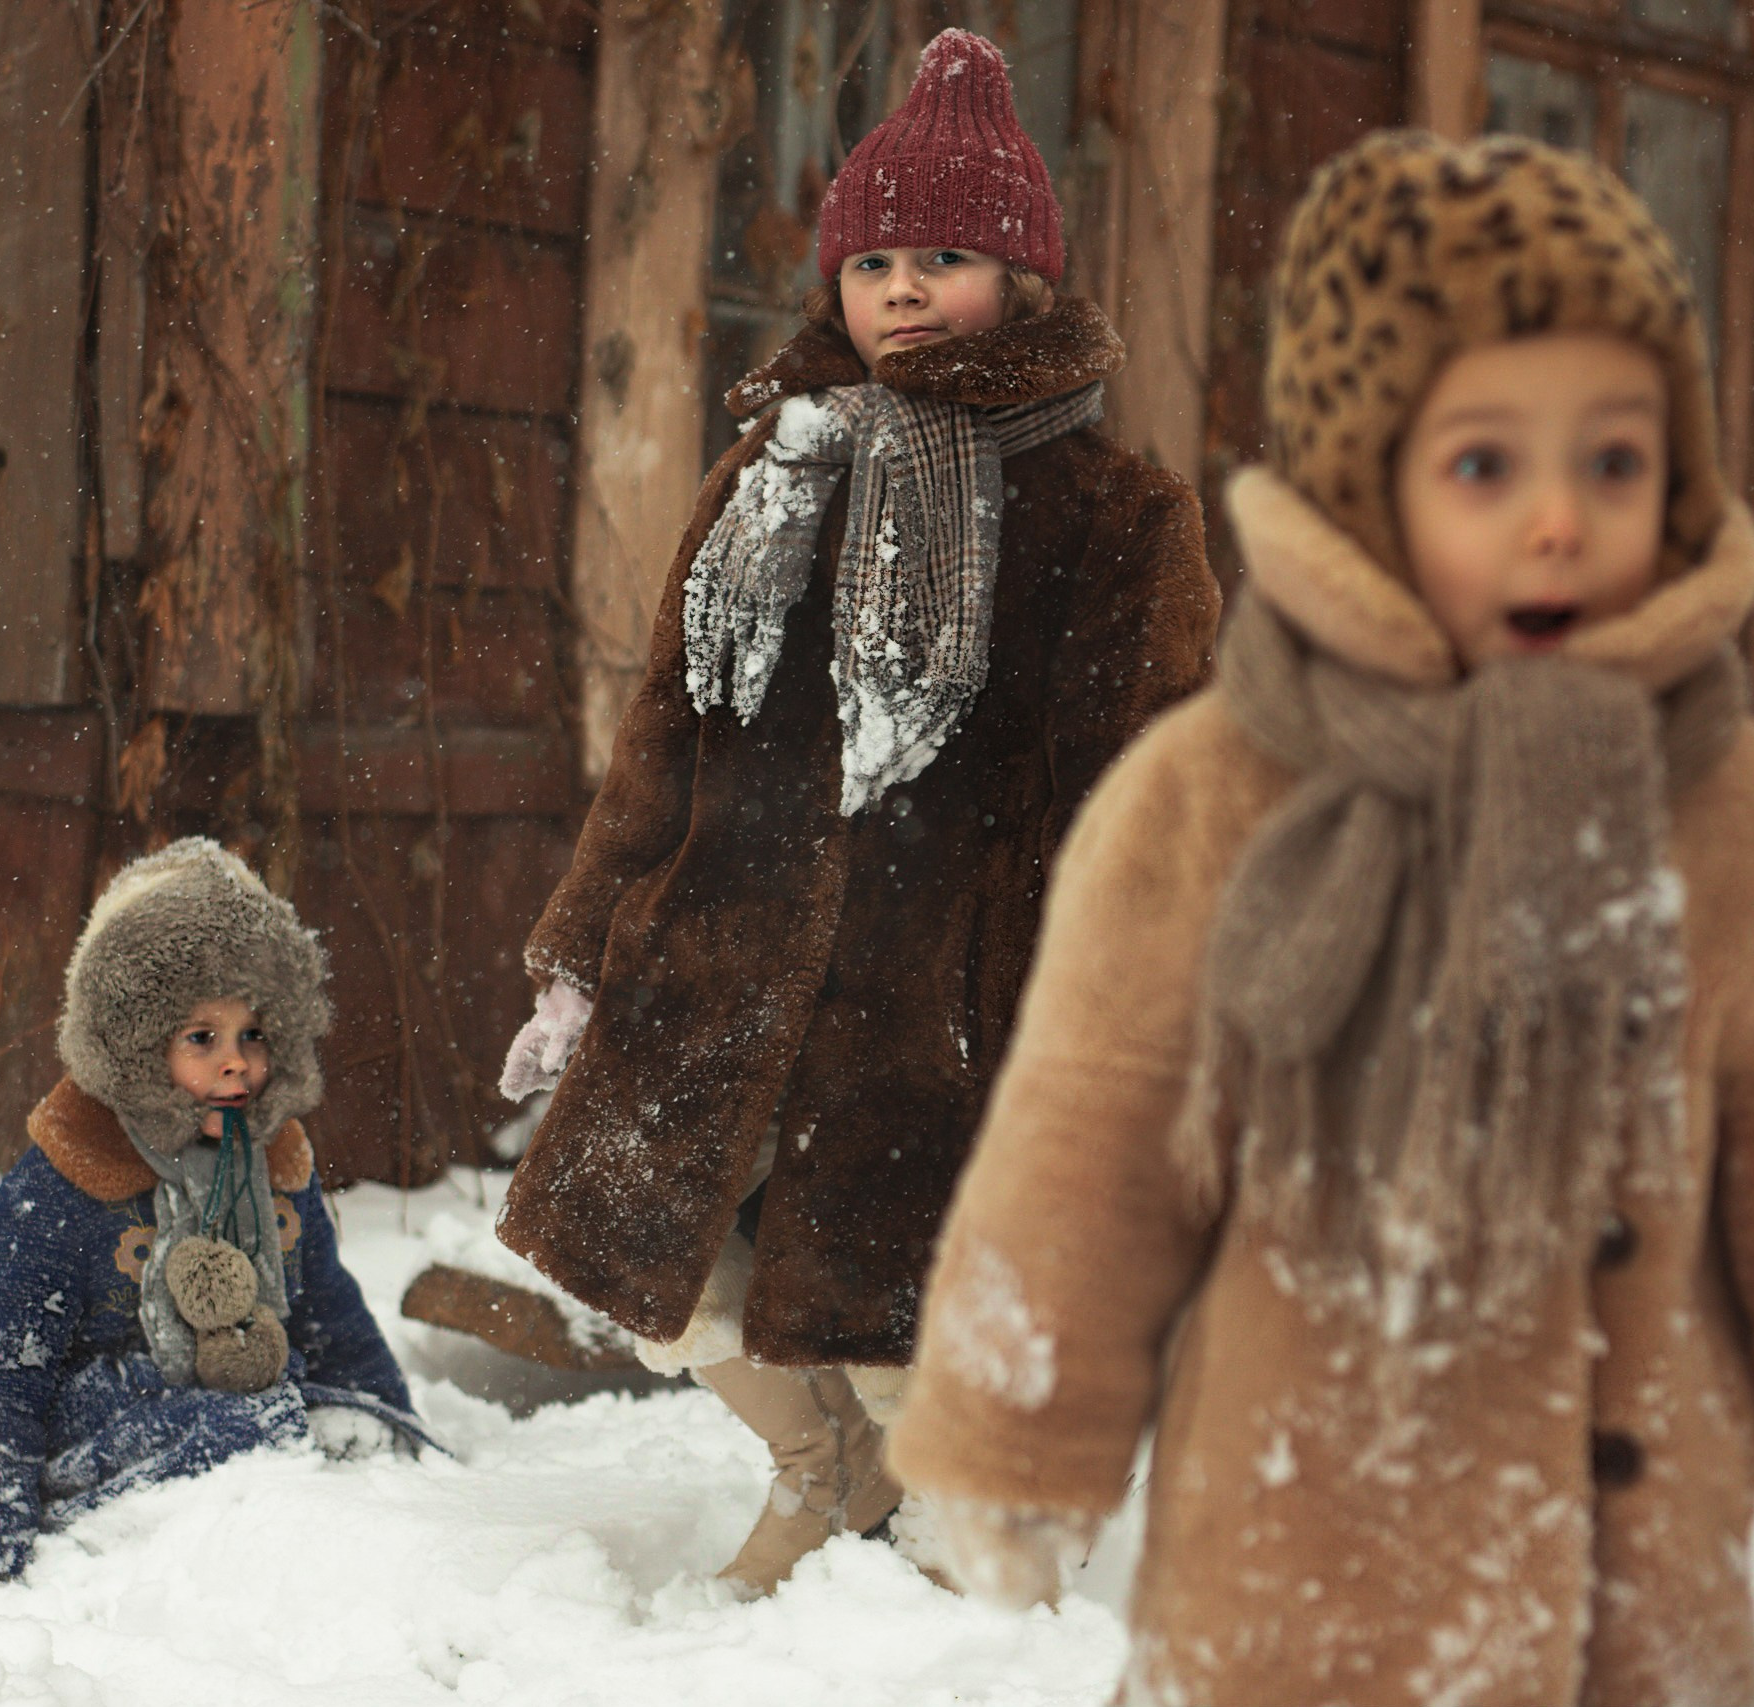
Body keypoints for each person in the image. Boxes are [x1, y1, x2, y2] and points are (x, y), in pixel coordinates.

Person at [889, 130, 1754, 1706]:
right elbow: (1093, 1135)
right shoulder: (1217, 795)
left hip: (1632, 1604)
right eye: (1489, 465)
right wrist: (1020, 1431)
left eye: (1614, 461)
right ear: (1367, 480)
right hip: (1289, 1577)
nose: (1560, 519)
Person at [492, 28, 1218, 1599]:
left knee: (894, 1297)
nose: (899, 287)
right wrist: (580, 953)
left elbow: (1150, 792)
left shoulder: (1115, 516)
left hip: (942, 975)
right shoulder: (772, 473)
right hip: (723, 935)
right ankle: (819, 1467)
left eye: (944, 255)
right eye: (873, 256)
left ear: (1021, 279)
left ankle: (952, 1527)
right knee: (640, 1243)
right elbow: (662, 732)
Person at [0, 838, 422, 1596]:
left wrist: (398, 1442)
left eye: (253, 1034)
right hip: (98, 1431)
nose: (236, 1062)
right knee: (255, 1424)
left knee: (321, 1424)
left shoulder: (272, 1162)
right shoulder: (67, 1182)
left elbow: (328, 1311)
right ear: (133, 1045)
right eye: (203, 1037)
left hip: (241, 1412)